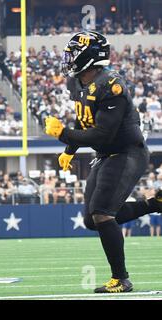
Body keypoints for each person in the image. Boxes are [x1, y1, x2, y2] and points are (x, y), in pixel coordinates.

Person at [45, 30, 162, 293]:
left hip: (127, 152)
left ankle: (121, 278)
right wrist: (70, 149)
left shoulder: (113, 85)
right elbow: (84, 118)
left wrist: (63, 134)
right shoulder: (77, 82)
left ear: (88, 55)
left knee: (102, 213)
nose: (69, 57)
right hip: (106, 153)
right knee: (91, 219)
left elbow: (103, 133)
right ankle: (155, 204)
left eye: (73, 52)